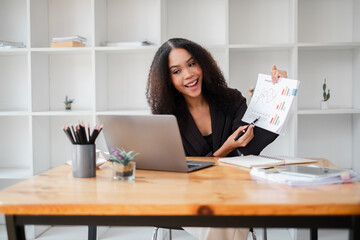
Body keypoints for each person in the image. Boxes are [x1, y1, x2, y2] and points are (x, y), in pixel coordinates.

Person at [146, 38, 287, 240]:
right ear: (167, 79)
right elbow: (181, 172)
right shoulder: (166, 117)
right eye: (176, 71)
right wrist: (225, 148)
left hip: (231, 192)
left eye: (192, 64)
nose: (188, 74)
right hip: (186, 198)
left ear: (202, 63)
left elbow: (251, 145)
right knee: (229, 223)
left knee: (228, 219)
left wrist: (280, 90)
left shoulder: (231, 100)